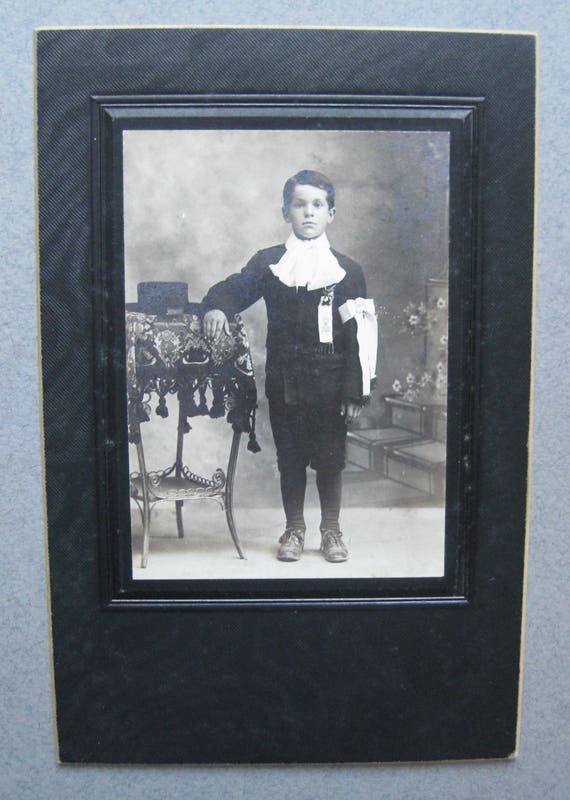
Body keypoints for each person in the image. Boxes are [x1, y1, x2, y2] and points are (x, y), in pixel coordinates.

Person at [202, 170, 377, 563]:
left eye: (318, 205)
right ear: (286, 213)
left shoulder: (348, 271)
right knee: (291, 456)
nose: (308, 213)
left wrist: (355, 390)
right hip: (286, 381)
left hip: (332, 383)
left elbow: (360, 336)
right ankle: (294, 528)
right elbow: (238, 287)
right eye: (299, 205)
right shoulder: (270, 263)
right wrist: (216, 304)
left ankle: (331, 530)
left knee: (331, 457)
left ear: (331, 213)